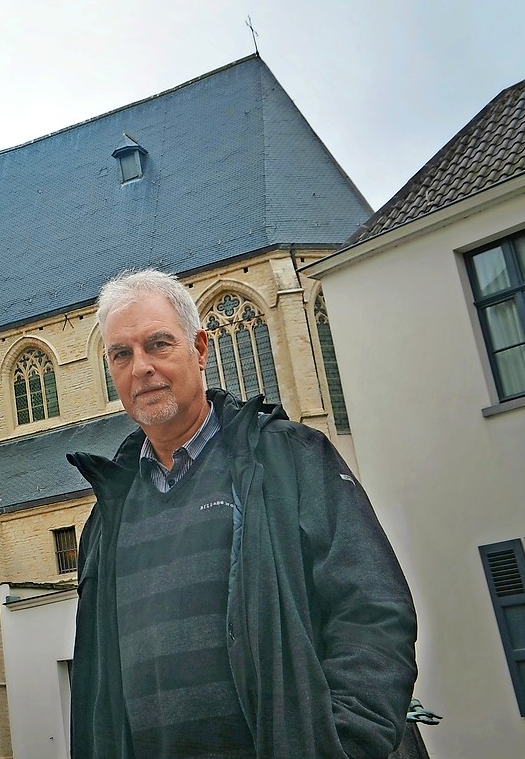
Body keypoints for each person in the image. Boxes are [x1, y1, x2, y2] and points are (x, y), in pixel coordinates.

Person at [68, 269, 416, 759]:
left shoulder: (290, 459)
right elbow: (96, 682)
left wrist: (342, 744)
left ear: (201, 348)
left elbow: (373, 609)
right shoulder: (108, 515)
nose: (140, 367)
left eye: (158, 344)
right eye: (121, 354)